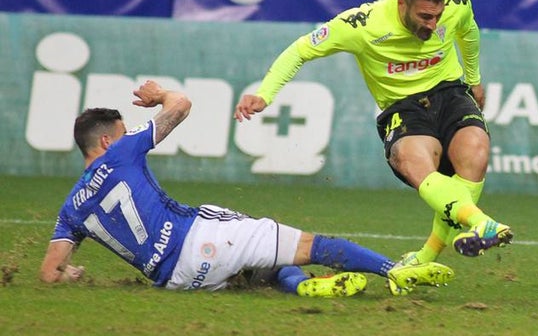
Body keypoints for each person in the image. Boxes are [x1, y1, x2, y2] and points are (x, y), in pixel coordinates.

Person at [41, 80, 455, 297]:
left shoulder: (71, 209)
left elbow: (49, 273)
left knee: (264, 264)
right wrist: (161, 94)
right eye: (123, 130)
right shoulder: (122, 152)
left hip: (177, 281)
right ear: (107, 142)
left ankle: (304, 286)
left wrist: (71, 273)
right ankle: (396, 272)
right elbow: (181, 106)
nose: (130, 132)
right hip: (199, 239)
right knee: (313, 244)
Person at [234, 0, 513, 267]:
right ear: (402, 4)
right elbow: (300, 50)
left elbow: (468, 31)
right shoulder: (362, 24)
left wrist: (474, 79)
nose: (432, 25)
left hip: (450, 93)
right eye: (424, 17)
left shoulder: (457, 4)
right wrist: (265, 94)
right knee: (414, 161)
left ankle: (427, 257)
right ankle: (480, 223)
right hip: (403, 107)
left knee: (476, 153)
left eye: (437, 16)